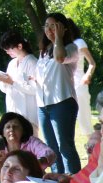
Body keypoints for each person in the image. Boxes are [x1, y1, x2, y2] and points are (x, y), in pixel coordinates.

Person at [35, 12, 81, 174]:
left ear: (63, 28)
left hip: (62, 102)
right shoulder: (43, 51)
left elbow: (60, 58)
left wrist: (58, 39)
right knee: (51, 148)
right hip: (43, 105)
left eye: (53, 26)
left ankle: (73, 180)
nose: (49, 30)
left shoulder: (71, 48)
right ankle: (57, 180)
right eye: (46, 26)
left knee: (65, 146)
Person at [0, 31, 39, 135]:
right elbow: (4, 89)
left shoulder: (32, 62)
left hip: (28, 111)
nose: (7, 52)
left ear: (19, 46)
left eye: (9, 49)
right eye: (5, 50)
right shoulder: (12, 63)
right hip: (12, 108)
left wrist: (13, 83)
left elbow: (35, 89)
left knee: (29, 140)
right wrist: (3, 81)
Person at [66, 18, 96, 136]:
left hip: (79, 85)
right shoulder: (63, 46)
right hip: (66, 87)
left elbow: (92, 63)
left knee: (84, 121)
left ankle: (93, 145)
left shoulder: (79, 43)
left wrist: (87, 76)